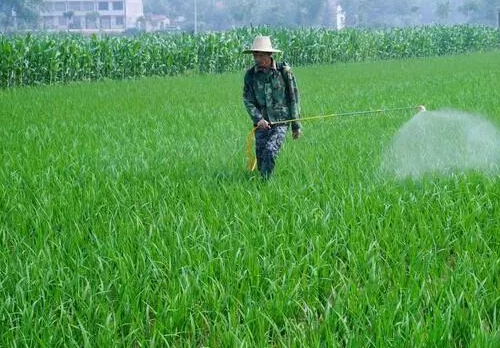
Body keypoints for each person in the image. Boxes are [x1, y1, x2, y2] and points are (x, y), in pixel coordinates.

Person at [242, 36, 302, 180]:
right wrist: (259, 119)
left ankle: (264, 185)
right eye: (255, 55)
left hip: (280, 122)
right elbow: (248, 100)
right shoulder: (250, 75)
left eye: (261, 55)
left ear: (270, 55)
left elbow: (293, 98)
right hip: (261, 124)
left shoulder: (284, 72)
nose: (257, 58)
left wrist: (296, 126)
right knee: (262, 158)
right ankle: (263, 183)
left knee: (270, 151)